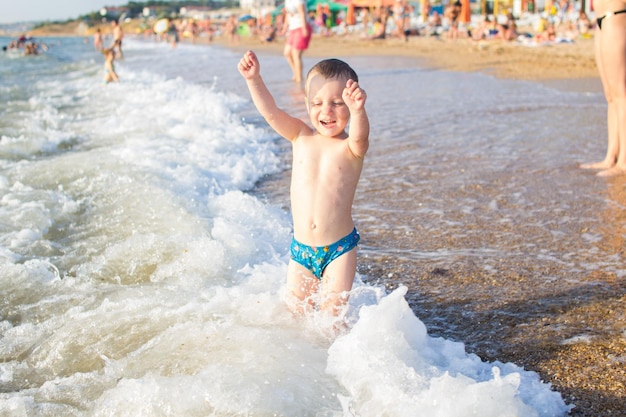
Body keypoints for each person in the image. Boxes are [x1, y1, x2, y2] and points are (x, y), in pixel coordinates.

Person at [237, 50, 369, 316]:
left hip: (339, 249)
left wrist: (358, 111)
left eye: (337, 102)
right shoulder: (300, 135)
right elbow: (271, 113)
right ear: (307, 103)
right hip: (301, 251)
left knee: (333, 317)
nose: (326, 111)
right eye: (317, 103)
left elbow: (360, 136)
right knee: (296, 315)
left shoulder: (350, 147)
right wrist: (254, 79)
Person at [580, 0, 626, 176]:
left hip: (616, 15)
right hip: (602, 19)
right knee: (611, 95)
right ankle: (611, 157)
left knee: (621, 93)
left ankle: (623, 162)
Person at [283, 0, 312, 83]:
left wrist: (304, 28)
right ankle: (296, 73)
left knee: (296, 54)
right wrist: (285, 27)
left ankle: (299, 79)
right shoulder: (287, 1)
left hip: (301, 27)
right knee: (287, 53)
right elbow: (288, 14)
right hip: (292, 29)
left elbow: (302, 13)